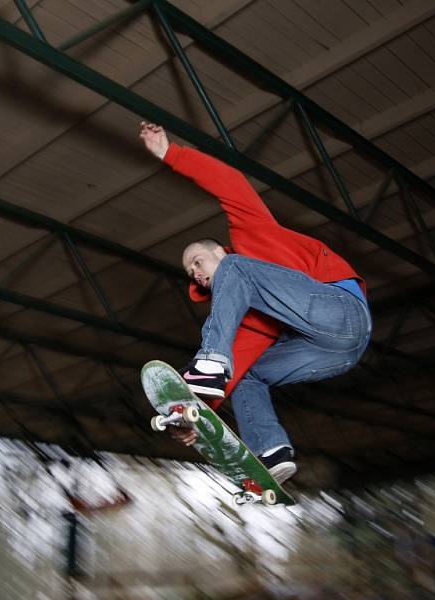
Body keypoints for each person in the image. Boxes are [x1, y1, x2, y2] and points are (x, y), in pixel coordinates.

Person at [139, 122, 372, 483]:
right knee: (245, 372)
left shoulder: (250, 236)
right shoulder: (250, 315)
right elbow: (227, 376)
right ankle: (271, 450)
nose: (196, 274)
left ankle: (209, 361)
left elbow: (228, 182)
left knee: (236, 278)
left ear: (218, 249)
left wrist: (171, 154)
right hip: (338, 353)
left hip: (342, 310)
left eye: (197, 262)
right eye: (190, 273)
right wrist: (194, 417)